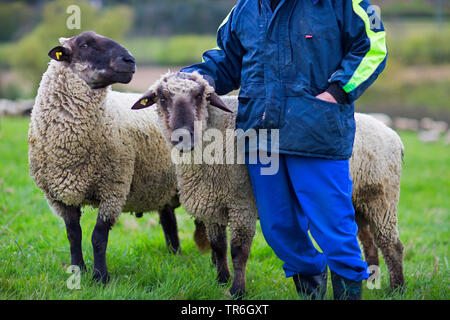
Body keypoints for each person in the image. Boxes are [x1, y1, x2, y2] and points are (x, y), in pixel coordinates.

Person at [181, 0, 387, 300]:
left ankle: (348, 288)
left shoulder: (340, 4)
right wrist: (196, 77)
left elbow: (373, 47)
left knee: (333, 225)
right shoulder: (246, 9)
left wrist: (338, 91)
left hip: (316, 132)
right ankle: (310, 279)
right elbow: (227, 60)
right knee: (278, 227)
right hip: (261, 137)